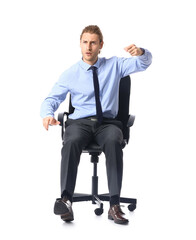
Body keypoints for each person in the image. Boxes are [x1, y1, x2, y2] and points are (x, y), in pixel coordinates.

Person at [40, 25, 152, 224]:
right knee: (71, 141)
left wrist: (141, 52)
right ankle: (66, 201)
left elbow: (144, 63)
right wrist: (47, 114)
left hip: (107, 123)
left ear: (101, 45)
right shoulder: (71, 73)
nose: (88, 47)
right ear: (80, 44)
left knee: (112, 140)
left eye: (93, 42)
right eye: (85, 42)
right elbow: (51, 99)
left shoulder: (115, 65)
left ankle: (114, 204)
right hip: (80, 123)